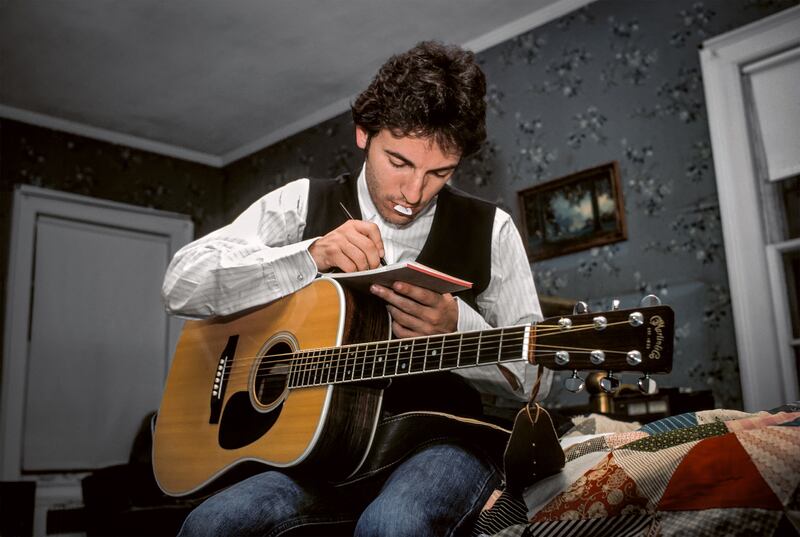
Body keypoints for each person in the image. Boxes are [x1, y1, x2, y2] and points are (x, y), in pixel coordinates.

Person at [162, 40, 550, 537]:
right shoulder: (301, 203)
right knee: (211, 524)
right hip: (323, 452)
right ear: (363, 133)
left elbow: (539, 380)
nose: (414, 193)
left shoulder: (493, 230)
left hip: (439, 443)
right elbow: (182, 283)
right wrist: (309, 255)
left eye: (440, 173)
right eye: (399, 162)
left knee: (393, 524)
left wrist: (458, 327)